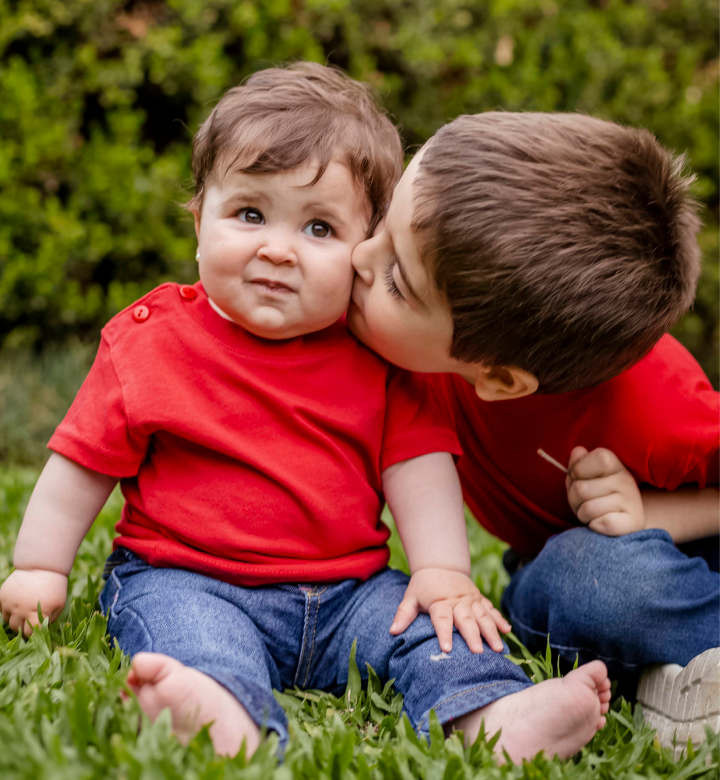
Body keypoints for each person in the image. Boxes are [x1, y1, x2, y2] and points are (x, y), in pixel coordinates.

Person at [0, 66, 611, 762]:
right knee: (193, 638)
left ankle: (494, 713)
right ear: (199, 222)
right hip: (190, 578)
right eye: (249, 214)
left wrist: (442, 571)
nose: (277, 248)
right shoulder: (150, 341)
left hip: (351, 592)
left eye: (318, 227)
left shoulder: (378, 358)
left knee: (432, 629)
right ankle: (217, 709)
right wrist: (40, 565)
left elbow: (418, 466)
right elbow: (81, 464)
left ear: (363, 251)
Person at [348, 111, 719, 749]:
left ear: (500, 379)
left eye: (396, 281)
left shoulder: (659, 407)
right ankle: (680, 667)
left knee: (604, 583)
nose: (357, 255)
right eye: (381, 226)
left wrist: (651, 513)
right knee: (578, 584)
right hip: (569, 563)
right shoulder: (414, 346)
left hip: (692, 548)